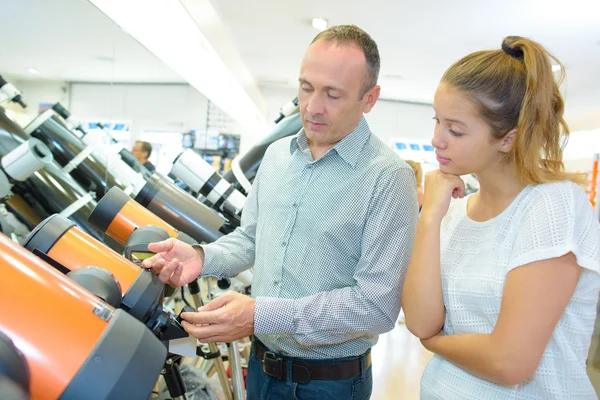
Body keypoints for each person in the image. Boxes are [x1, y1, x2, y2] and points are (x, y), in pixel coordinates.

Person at [143, 24, 418, 399]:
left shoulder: (388, 178)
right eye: (306, 88)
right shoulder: (276, 156)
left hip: (329, 384)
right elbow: (250, 238)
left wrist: (260, 314)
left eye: (333, 95)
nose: (312, 107)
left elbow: (376, 306)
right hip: (261, 369)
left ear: (369, 98)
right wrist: (200, 257)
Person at [402, 36, 600, 399]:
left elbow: (510, 362)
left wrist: (436, 342)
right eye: (437, 122)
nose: (436, 140)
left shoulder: (553, 206)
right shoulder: (454, 211)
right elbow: (419, 320)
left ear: (507, 139)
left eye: (455, 130)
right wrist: (429, 216)